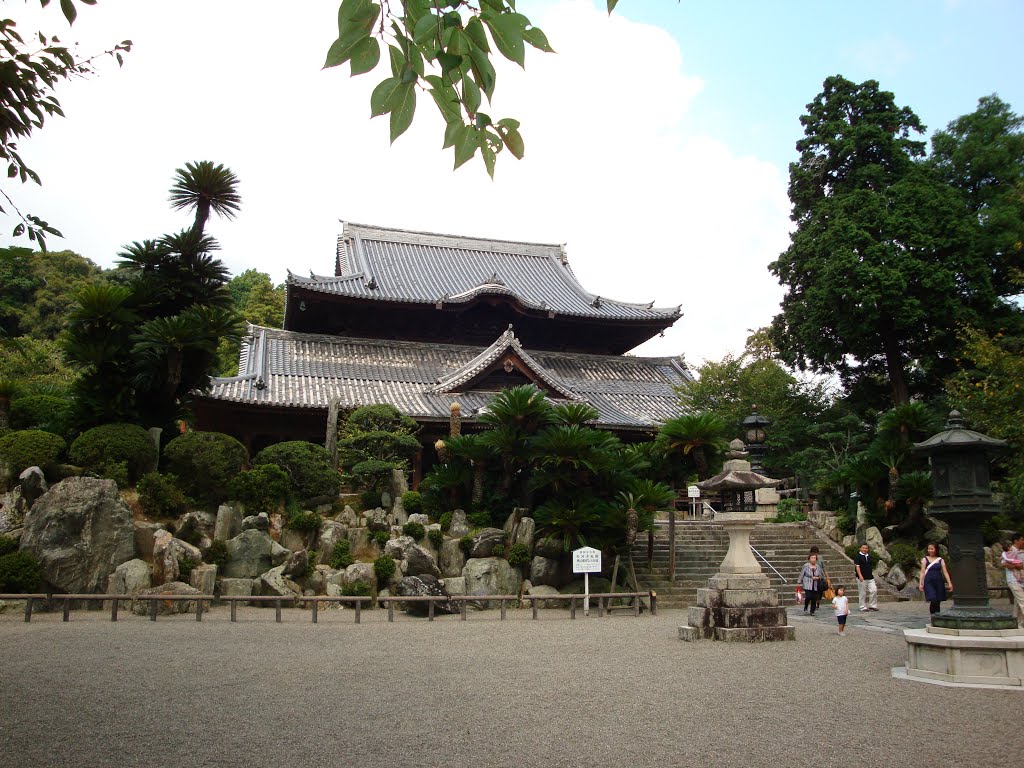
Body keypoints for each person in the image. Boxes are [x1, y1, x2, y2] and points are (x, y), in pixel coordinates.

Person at [918, 542, 953, 615]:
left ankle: (937, 616)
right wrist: (920, 583)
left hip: (939, 581)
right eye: (929, 549)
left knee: (938, 600)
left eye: (932, 549)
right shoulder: (924, 560)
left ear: (936, 550)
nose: (930, 550)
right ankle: (933, 615)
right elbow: (922, 572)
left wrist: (949, 583)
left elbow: (945, 572)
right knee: (933, 598)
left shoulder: (940, 560)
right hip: (929, 581)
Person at [1001, 533, 1024, 627]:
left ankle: (1017, 624)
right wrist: (1016, 566)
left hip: (1021, 580)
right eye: (1022, 539)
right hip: (1013, 580)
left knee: (1018, 604)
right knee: (1022, 601)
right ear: (1016, 541)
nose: (1023, 541)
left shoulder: (1020, 551)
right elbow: (1003, 563)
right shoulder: (1010, 550)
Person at [854, 543, 878, 612]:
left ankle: (872, 605)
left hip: (870, 577)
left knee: (874, 590)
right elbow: (857, 567)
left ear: (868, 549)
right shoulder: (858, 557)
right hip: (862, 577)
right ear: (860, 548)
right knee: (862, 592)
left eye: (866, 548)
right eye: (863, 548)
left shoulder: (869, 556)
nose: (864, 549)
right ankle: (862, 606)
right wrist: (860, 575)